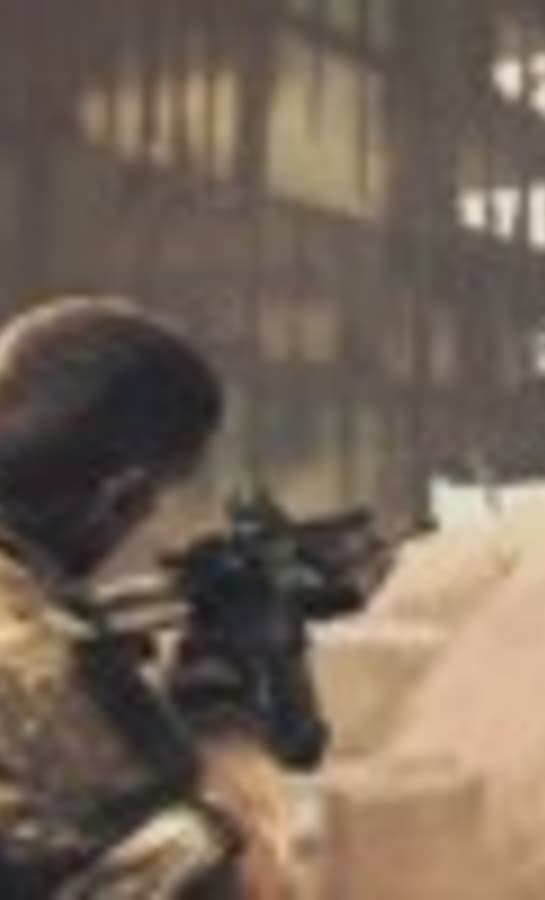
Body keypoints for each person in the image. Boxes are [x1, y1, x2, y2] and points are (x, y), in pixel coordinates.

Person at [0, 297, 289, 897]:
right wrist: (220, 696)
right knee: (202, 841)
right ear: (120, 494)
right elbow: (230, 876)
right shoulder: (43, 655)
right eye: (153, 496)